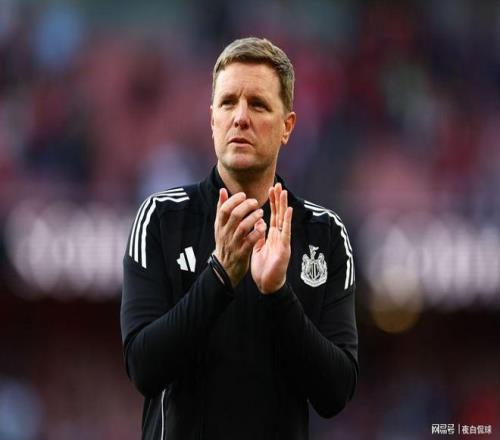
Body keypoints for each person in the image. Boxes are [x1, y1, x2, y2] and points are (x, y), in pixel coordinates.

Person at [121, 37, 358, 440]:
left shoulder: (325, 233)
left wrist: (278, 294)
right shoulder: (161, 219)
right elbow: (143, 368)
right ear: (212, 119)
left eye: (258, 104)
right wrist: (219, 276)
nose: (241, 117)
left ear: (287, 127)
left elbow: (335, 392)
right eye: (228, 102)